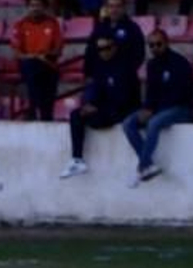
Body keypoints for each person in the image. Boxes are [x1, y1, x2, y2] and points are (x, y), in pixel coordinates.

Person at [60, 34, 141, 179]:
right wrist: (89, 104)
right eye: (100, 49)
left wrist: (98, 108)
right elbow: (96, 90)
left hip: (123, 110)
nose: (103, 52)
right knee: (76, 115)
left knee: (96, 118)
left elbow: (125, 99)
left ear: (114, 48)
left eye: (107, 48)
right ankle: (77, 159)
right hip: (104, 109)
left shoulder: (125, 68)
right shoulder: (100, 68)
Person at [121, 28, 193, 185]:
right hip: (159, 108)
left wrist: (152, 110)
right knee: (128, 124)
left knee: (154, 123)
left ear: (167, 43)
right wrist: (147, 108)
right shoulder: (152, 65)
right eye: (151, 45)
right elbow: (151, 92)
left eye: (158, 44)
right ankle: (148, 165)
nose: (155, 48)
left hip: (180, 108)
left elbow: (181, 94)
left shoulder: (180, 63)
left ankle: (141, 168)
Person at [10, 0, 63, 121]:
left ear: (44, 7)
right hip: (28, 65)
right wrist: (35, 57)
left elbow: (58, 50)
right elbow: (17, 53)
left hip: (48, 64)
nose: (35, 9)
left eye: (38, 5)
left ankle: (36, 110)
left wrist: (43, 57)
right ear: (27, 7)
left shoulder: (53, 24)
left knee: (45, 75)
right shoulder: (20, 25)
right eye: (32, 5)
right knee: (32, 68)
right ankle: (35, 109)